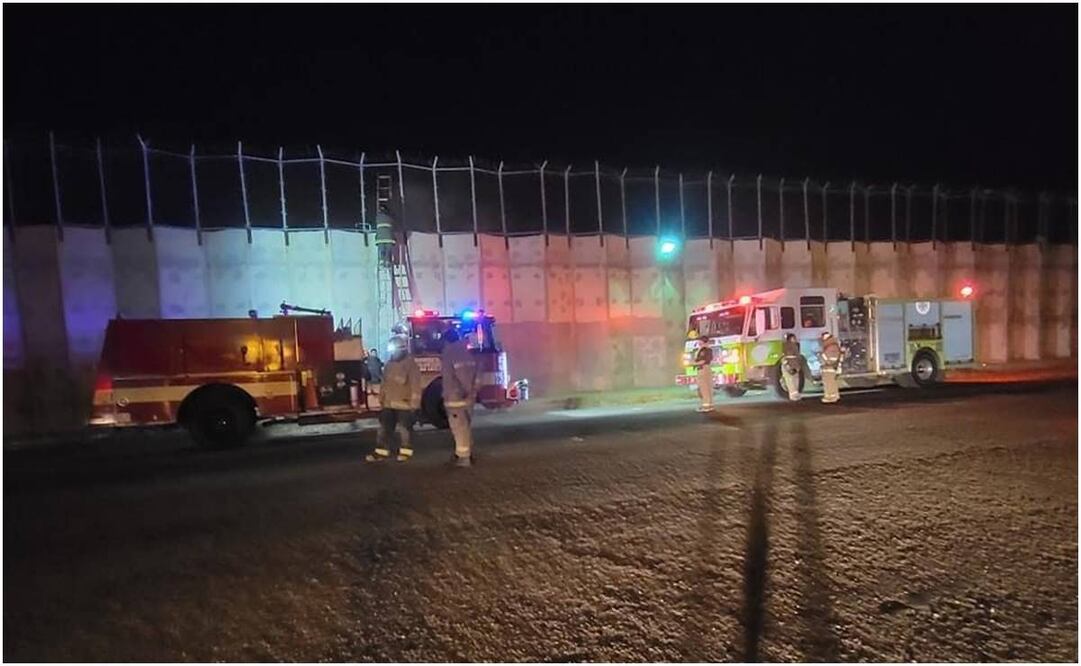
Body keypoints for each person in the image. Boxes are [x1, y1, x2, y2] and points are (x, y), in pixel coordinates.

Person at [366, 336, 422, 462]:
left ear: (401, 349)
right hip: (388, 404)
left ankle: (406, 452)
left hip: (404, 404)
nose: (392, 352)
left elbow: (415, 386)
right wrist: (381, 398)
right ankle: (381, 452)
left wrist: (415, 404)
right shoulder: (389, 365)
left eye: (394, 349)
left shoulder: (410, 365)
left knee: (405, 430)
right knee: (384, 429)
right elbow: (385, 383)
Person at [441, 327, 479, 467]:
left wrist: (464, 391)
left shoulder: (450, 352)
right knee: (465, 426)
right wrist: (471, 392)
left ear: (447, 340)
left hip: (456, 398)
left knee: (459, 427)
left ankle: (464, 458)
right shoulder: (467, 351)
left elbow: (459, 374)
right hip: (467, 398)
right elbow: (474, 374)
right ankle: (464, 454)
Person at [818, 331, 843, 404]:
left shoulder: (830, 346)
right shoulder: (832, 345)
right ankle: (834, 396)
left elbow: (828, 357)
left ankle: (830, 397)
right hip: (831, 367)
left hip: (829, 367)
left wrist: (821, 355)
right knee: (831, 382)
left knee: (829, 383)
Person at [780, 333, 804, 401]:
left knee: (795, 380)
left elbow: (797, 357)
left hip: (795, 366)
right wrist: (787, 366)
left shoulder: (795, 346)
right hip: (789, 366)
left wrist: (798, 367)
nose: (795, 339)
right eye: (793, 338)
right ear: (790, 339)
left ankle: (796, 394)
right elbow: (784, 357)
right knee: (790, 381)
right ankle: (793, 395)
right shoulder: (786, 346)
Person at [693, 342, 715, 412]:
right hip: (707, 369)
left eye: (700, 343)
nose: (699, 344)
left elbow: (703, 361)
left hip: (702, 369)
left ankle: (706, 406)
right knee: (708, 388)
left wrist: (693, 364)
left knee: (704, 389)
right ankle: (710, 405)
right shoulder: (709, 350)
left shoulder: (704, 350)